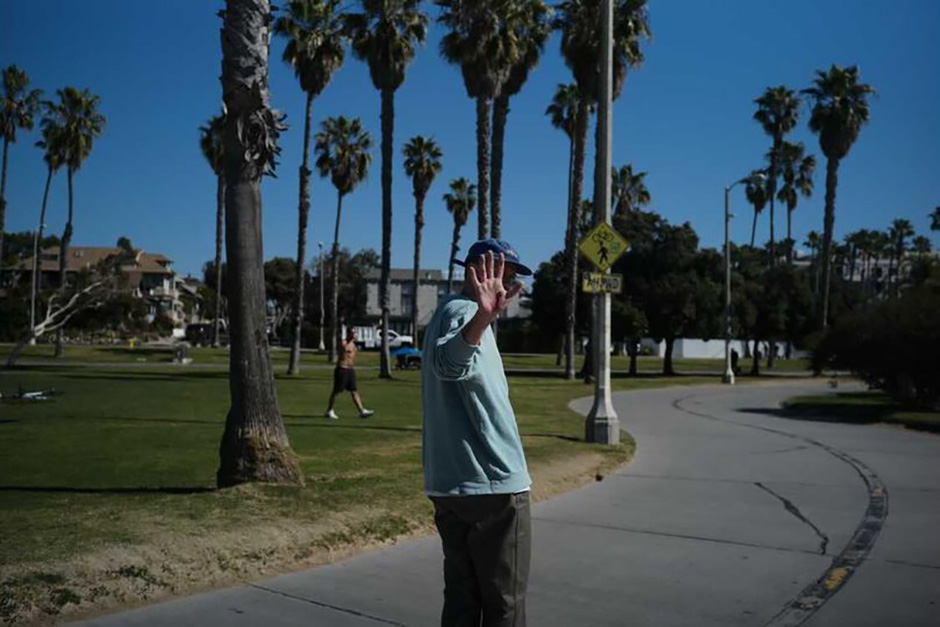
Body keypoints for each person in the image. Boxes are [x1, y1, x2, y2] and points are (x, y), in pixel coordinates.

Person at [422, 239, 533, 627]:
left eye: (513, 275)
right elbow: (445, 364)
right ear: (478, 271)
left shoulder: (454, 312)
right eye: (504, 272)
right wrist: (482, 317)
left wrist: (484, 319)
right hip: (492, 488)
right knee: (505, 606)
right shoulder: (464, 312)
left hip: (455, 485)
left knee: (462, 601)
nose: (509, 283)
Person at [324, 328, 374, 420]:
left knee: (354, 391)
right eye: (352, 333)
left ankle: (361, 410)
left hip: (350, 370)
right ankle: (329, 410)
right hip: (342, 369)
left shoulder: (354, 346)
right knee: (336, 391)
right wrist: (349, 340)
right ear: (348, 334)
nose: (354, 335)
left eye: (355, 333)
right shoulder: (344, 343)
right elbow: (344, 349)